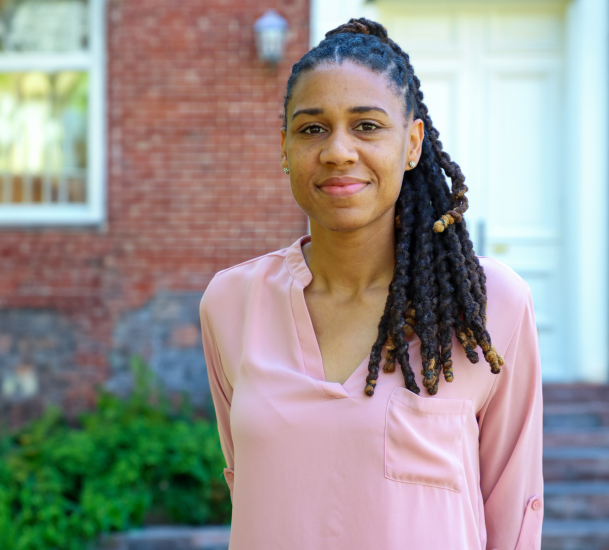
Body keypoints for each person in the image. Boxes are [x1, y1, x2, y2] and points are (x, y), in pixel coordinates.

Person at [200, 18, 543, 550]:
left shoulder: (493, 305)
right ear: (285, 147)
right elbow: (246, 485)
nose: (338, 150)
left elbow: (515, 514)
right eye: (312, 128)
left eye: (367, 126)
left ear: (411, 144)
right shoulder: (232, 303)